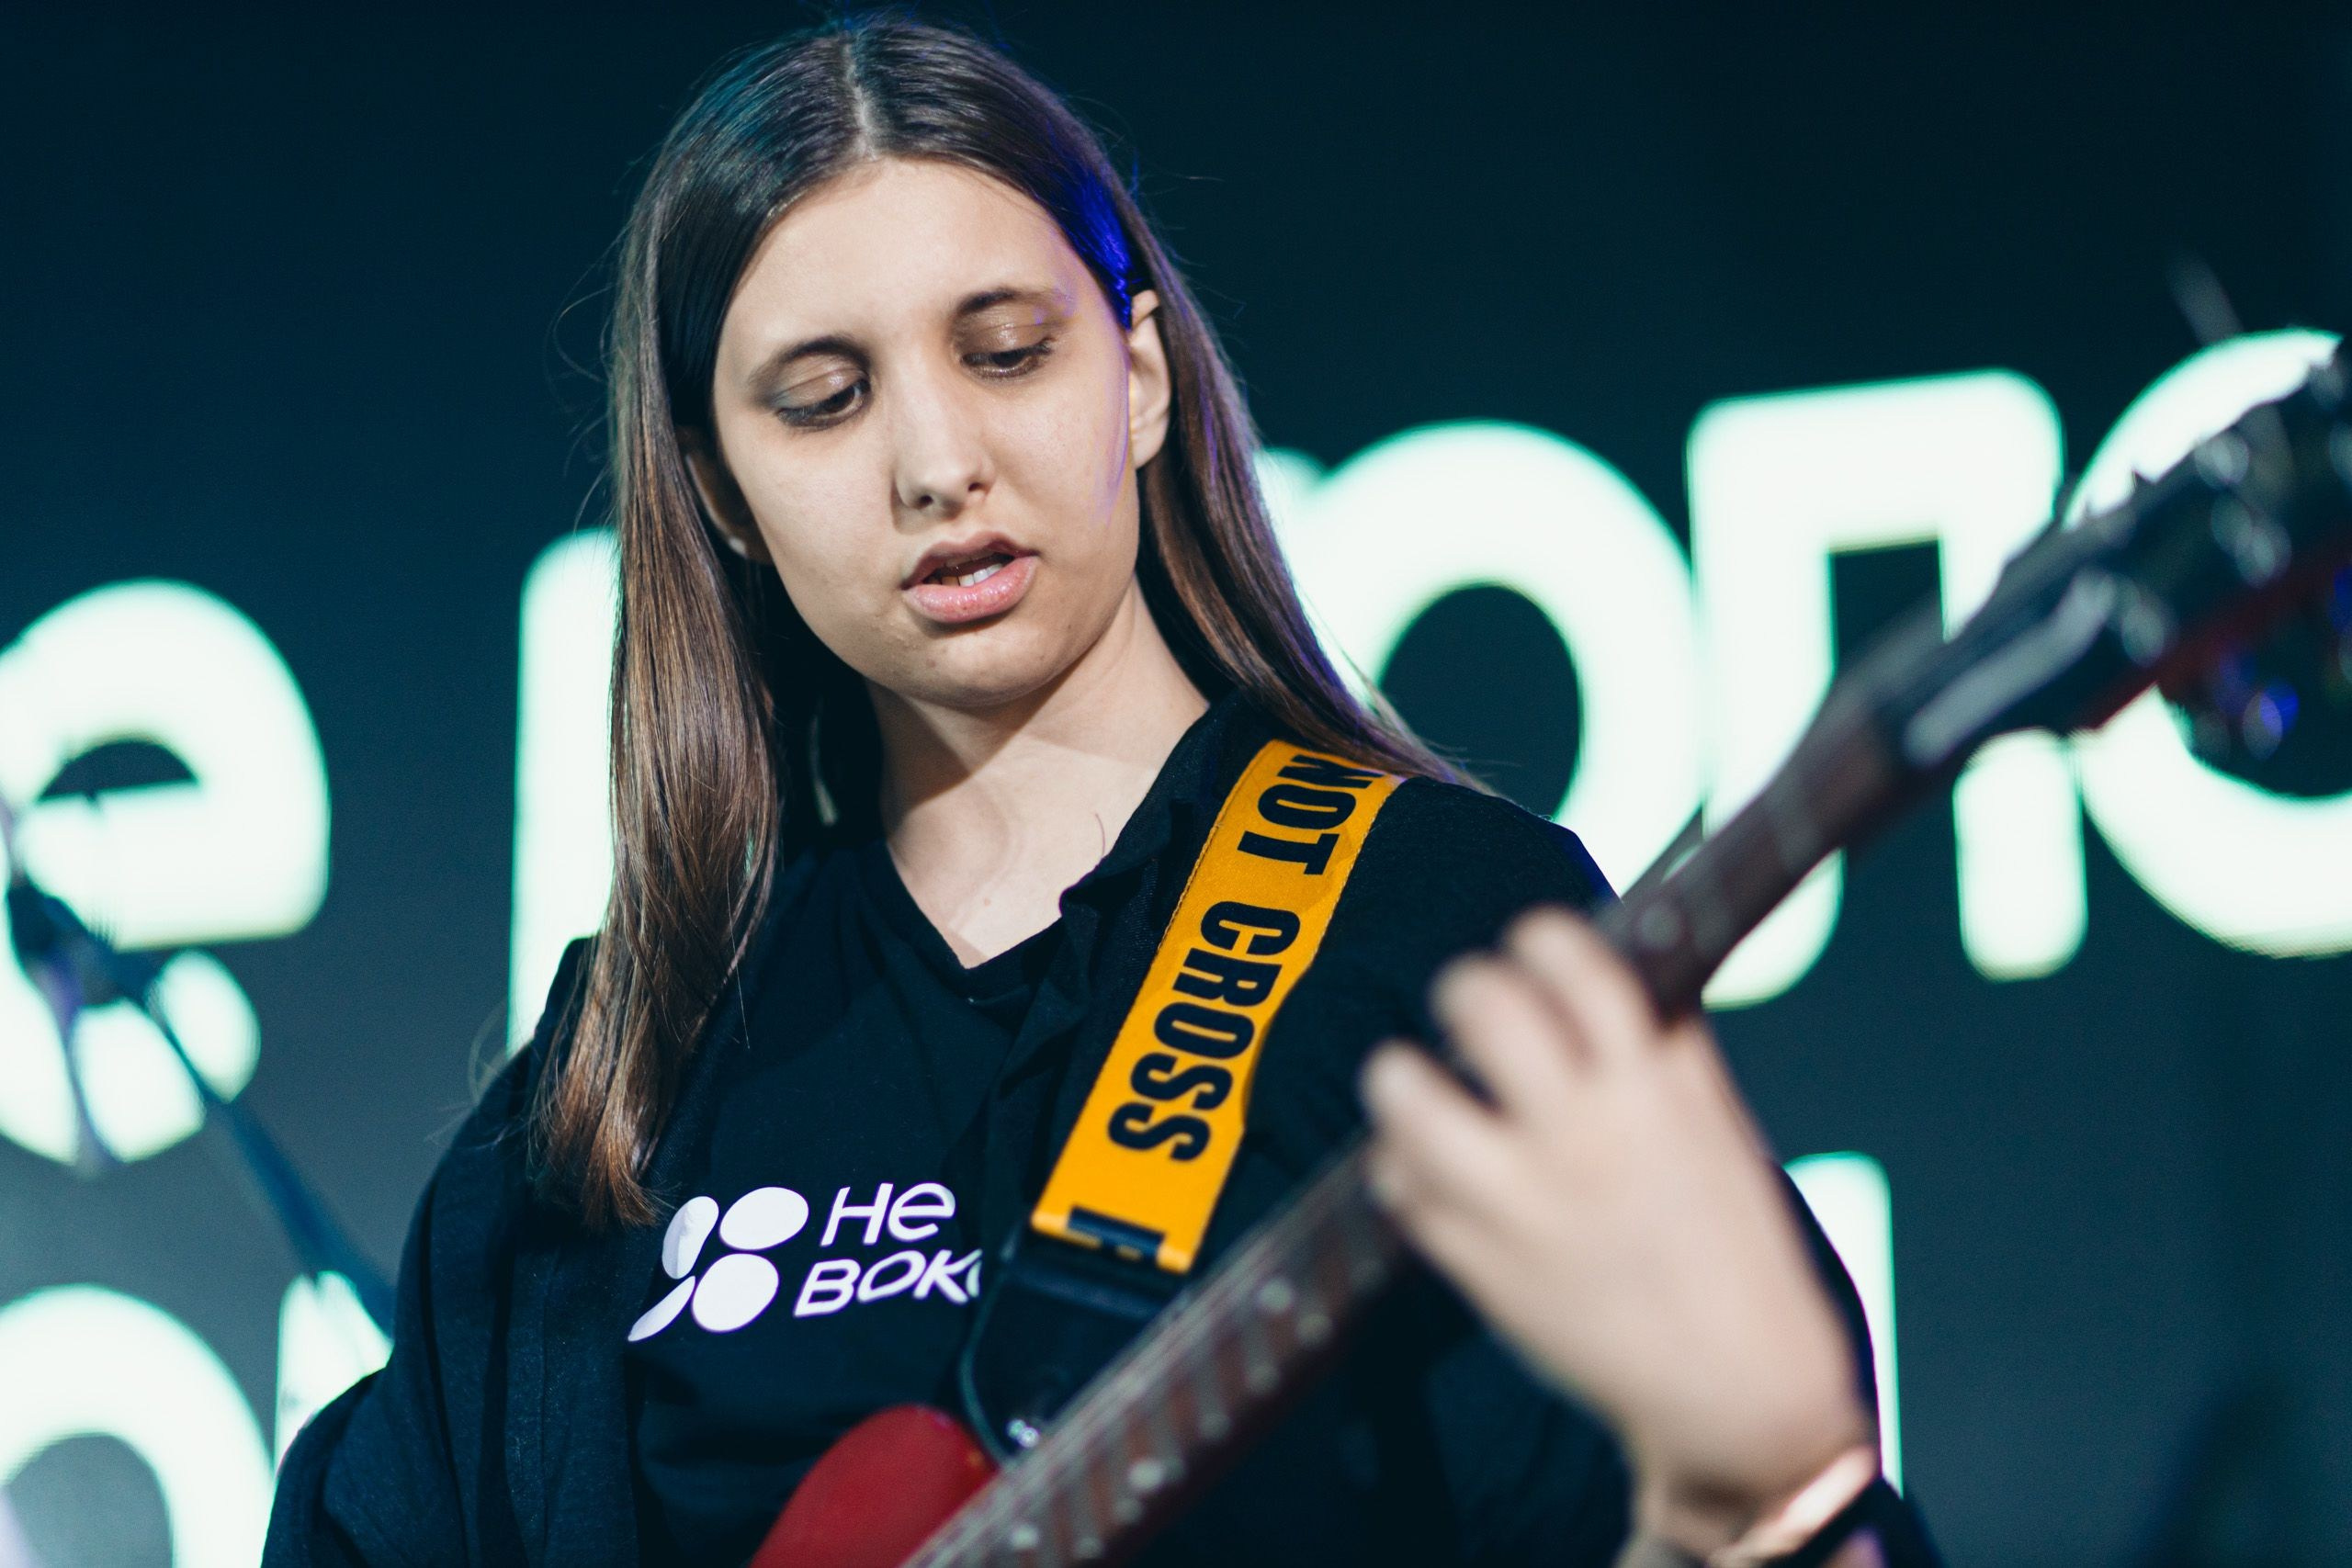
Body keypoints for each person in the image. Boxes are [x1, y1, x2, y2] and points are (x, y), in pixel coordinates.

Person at [264, 14, 1882, 1566]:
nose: (936, 461)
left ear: (1145, 378)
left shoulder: (1441, 935)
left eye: (1008, 351)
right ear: (722, 495)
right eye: (824, 399)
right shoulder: (629, 1067)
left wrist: (1767, 1502)